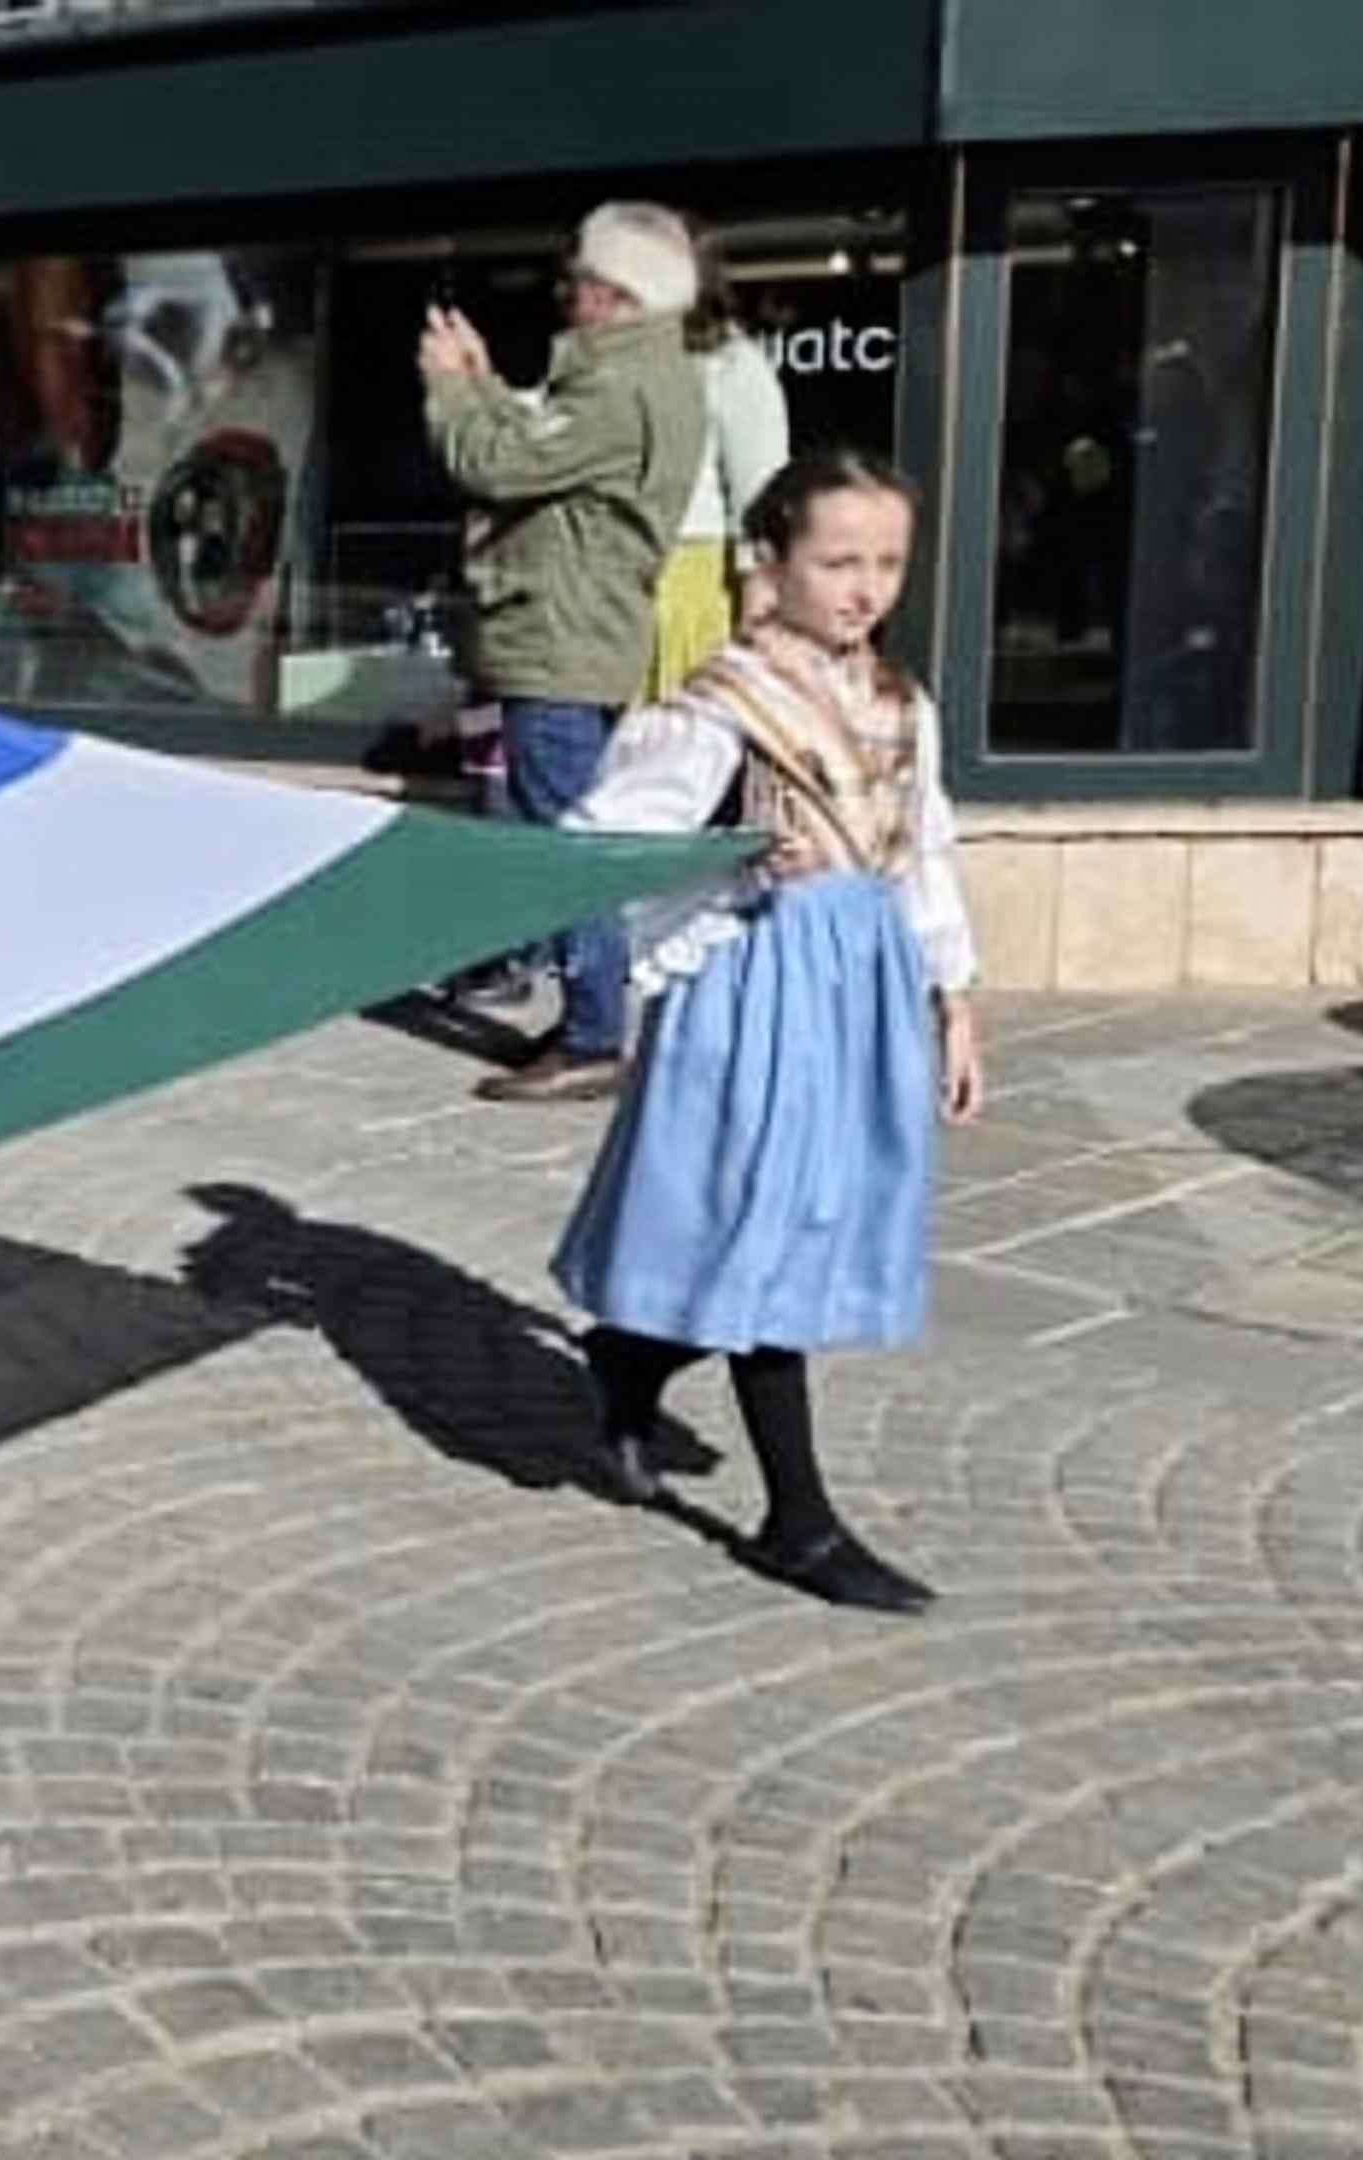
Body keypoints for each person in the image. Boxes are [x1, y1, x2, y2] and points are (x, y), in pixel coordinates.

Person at [550, 448, 984, 1615]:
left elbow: (924, 853)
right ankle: (798, 1520)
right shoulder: (721, 704)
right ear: (773, 562)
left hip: (865, 983)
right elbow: (605, 839)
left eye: (887, 561)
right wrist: (732, 852)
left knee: (816, 1220)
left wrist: (955, 1002)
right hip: (760, 982)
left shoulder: (900, 702)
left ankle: (629, 1358)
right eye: (839, 561)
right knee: (772, 1230)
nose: (865, 587)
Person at [421, 200, 705, 1103]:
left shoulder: (618, 388)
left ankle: (590, 1039)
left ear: (617, 293)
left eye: (580, 279)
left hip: (561, 641)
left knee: (563, 844)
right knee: (573, 828)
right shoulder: (637, 379)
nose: (566, 293)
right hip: (585, 636)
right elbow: (538, 454)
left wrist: (450, 387)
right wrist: (490, 380)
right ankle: (591, 1015)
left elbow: (494, 467)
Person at [652, 228, 793, 700]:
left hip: (688, 588)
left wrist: (758, 621)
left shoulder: (731, 364)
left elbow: (763, 495)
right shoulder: (607, 364)